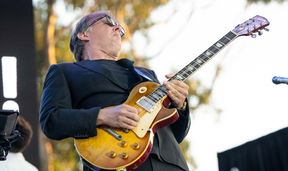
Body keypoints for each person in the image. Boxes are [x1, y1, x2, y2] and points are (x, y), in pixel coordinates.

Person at [40, 10, 191, 171]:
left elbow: (177, 134)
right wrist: (102, 116)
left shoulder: (146, 74)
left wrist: (180, 105)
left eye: (121, 29)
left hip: (171, 165)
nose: (118, 28)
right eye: (110, 22)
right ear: (84, 34)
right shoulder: (65, 71)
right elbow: (51, 120)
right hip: (114, 162)